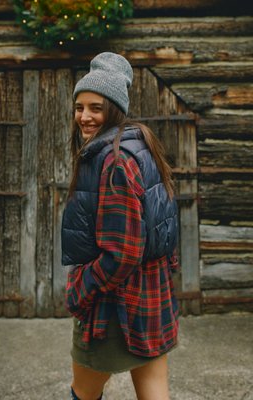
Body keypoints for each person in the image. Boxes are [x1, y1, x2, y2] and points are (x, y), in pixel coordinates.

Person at [61, 52, 179, 400]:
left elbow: (123, 251)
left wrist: (81, 288)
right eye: (79, 107)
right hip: (150, 293)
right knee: (154, 387)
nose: (84, 116)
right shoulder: (139, 145)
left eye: (96, 107)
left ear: (114, 109)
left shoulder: (114, 161)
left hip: (115, 303)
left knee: (83, 392)